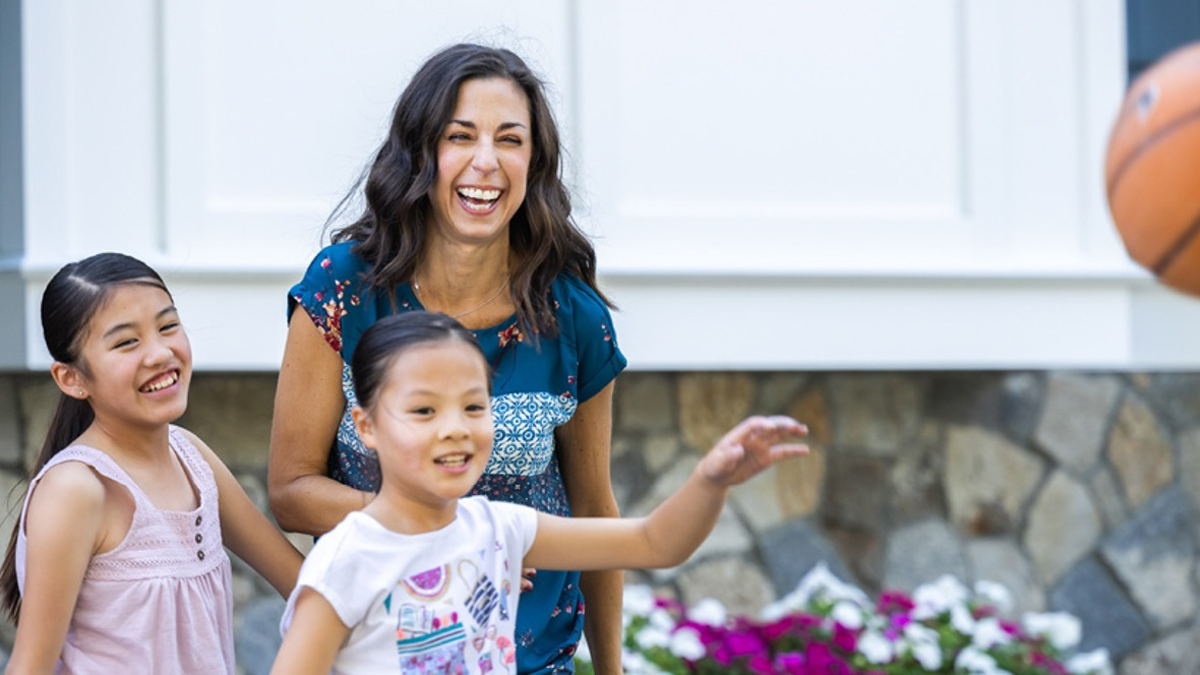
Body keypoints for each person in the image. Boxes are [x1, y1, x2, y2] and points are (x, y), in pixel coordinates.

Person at [268, 43, 628, 673]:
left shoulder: (574, 317)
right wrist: (449, 533)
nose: (486, 162)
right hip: (381, 655)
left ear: (534, 161)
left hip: (531, 660)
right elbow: (292, 490)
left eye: (510, 140)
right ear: (419, 153)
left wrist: (613, 670)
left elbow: (596, 510)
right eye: (460, 136)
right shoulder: (342, 288)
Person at [269, 312, 809, 675]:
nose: (455, 429)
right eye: (424, 410)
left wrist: (711, 481)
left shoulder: (499, 528)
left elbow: (654, 542)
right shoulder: (346, 562)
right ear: (365, 426)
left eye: (473, 406)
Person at [0, 252, 304, 674]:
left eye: (167, 326)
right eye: (127, 342)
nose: (160, 353)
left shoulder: (192, 458)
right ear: (72, 379)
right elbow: (30, 666)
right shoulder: (76, 488)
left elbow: (304, 586)